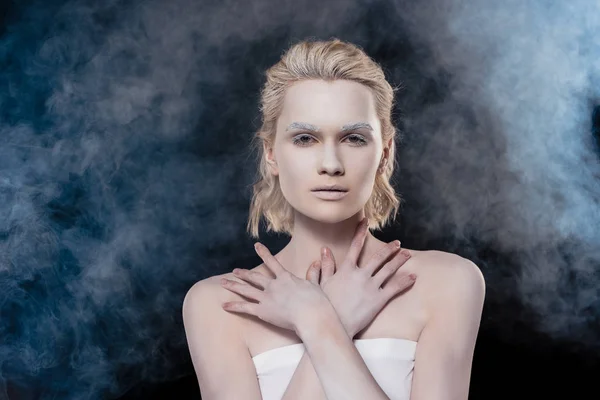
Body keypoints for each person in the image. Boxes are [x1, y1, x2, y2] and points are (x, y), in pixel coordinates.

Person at [182, 37, 486, 400]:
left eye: (354, 138)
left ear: (385, 154)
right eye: (305, 138)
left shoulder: (447, 282)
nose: (330, 164)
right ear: (271, 153)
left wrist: (316, 320)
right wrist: (327, 316)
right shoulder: (219, 304)